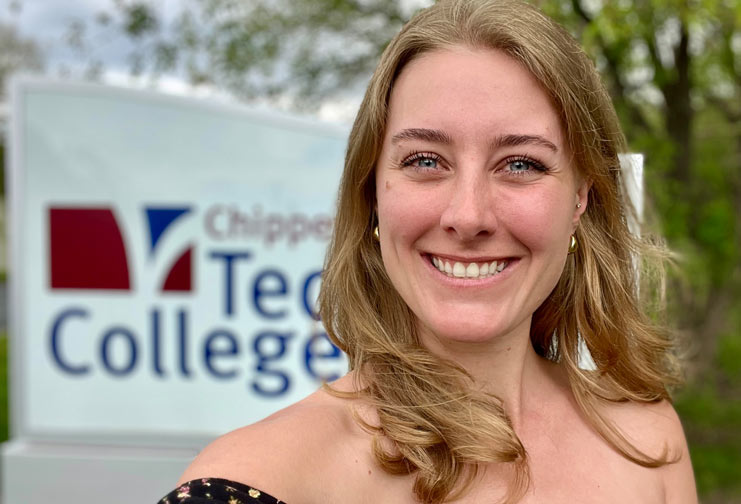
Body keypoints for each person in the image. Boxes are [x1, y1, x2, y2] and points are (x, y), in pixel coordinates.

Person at [158, 0, 697, 502]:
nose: (467, 216)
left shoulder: (648, 443)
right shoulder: (252, 480)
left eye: (521, 164)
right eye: (424, 160)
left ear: (580, 196)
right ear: (372, 192)